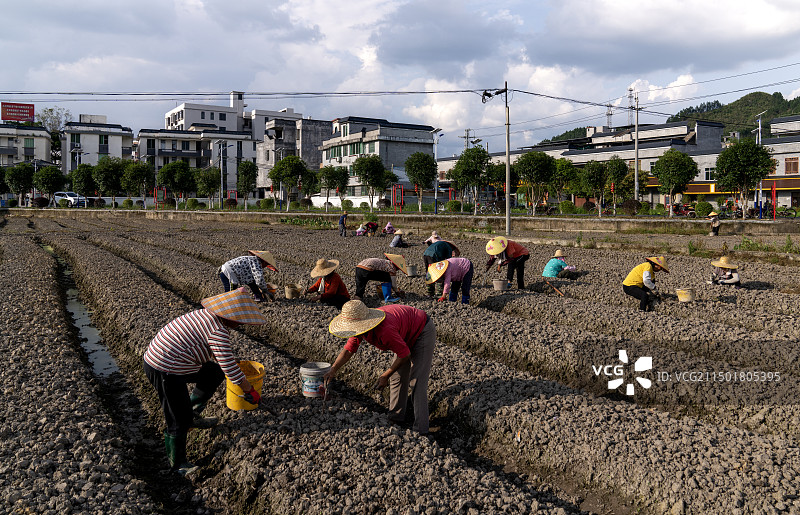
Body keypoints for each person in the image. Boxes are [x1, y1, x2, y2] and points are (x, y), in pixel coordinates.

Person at [143, 288, 267, 475]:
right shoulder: (218, 331)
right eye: (239, 320)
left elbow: (222, 363)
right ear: (230, 317)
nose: (241, 324)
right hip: (164, 368)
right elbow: (231, 369)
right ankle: (178, 465)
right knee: (176, 417)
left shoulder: (207, 315)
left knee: (213, 373)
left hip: (175, 361)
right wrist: (250, 390)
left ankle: (192, 415)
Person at [325, 300, 436, 434]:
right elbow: (348, 350)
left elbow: (405, 354)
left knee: (417, 381)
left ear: (363, 323)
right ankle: (396, 417)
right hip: (403, 333)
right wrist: (333, 369)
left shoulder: (384, 330)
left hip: (421, 330)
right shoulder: (359, 328)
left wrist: (385, 375)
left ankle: (421, 430)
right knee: (397, 376)